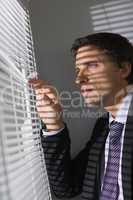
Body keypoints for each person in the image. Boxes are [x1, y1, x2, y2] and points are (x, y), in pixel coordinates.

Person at [29, 32, 133, 200]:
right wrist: (54, 124)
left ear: (124, 69)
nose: (79, 79)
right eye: (78, 70)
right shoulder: (103, 127)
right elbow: (66, 188)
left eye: (91, 65)